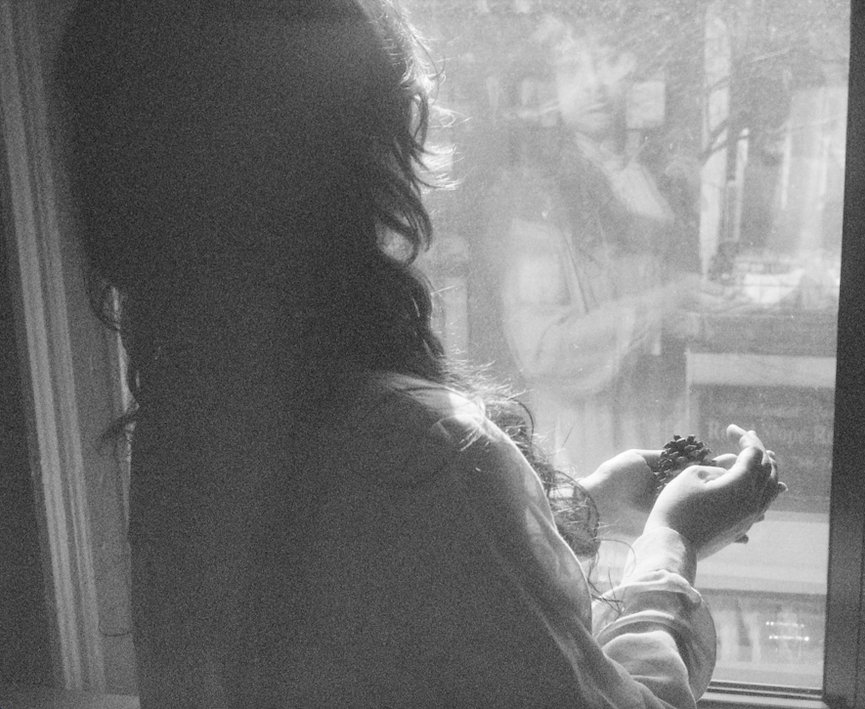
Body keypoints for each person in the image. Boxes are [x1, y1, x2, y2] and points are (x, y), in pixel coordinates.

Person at [60, 1, 785, 707]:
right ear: (359, 155)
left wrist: (583, 506)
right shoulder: (427, 452)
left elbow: (386, 592)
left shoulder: (188, 426)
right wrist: (671, 545)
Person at [498, 15, 712, 478]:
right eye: (573, 68)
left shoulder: (656, 183)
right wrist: (663, 305)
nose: (594, 84)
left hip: (659, 421)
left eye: (608, 62)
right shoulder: (539, 198)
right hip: (587, 440)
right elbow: (543, 349)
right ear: (551, 88)